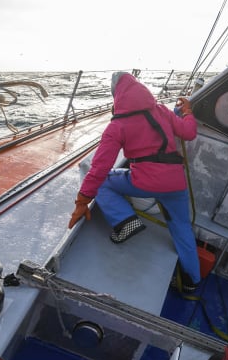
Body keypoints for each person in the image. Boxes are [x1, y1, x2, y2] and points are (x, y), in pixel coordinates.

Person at [68, 72, 201, 290]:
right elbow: (188, 133)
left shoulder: (117, 125)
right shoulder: (161, 110)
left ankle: (124, 221)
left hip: (144, 182)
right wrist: (187, 112)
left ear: (116, 96)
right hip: (176, 184)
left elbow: (99, 168)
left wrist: (82, 202)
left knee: (103, 181)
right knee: (182, 227)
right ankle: (192, 281)